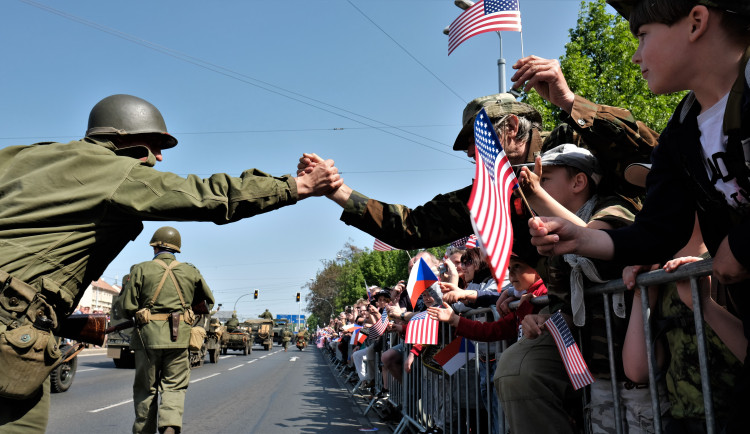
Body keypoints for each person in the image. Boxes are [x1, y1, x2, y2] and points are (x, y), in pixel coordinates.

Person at [0, 93, 342, 432]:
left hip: (133, 336)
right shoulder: (112, 171)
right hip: (15, 325)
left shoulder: (19, 157)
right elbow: (208, 197)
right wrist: (298, 186)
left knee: (144, 388)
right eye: (154, 145)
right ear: (125, 140)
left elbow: (127, 303)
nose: (160, 157)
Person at [528, 2, 750, 432]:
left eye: (643, 35)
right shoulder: (681, 134)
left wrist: (740, 244)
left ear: (696, 22)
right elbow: (658, 231)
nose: (635, 55)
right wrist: (579, 239)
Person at [297, 92, 545, 250]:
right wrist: (338, 190)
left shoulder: (572, 146)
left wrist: (568, 100)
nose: (470, 152)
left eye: (474, 139)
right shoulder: (487, 195)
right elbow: (411, 227)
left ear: (511, 127)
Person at [114, 226, 214, 434]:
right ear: (176, 249)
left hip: (147, 338)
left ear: (155, 246)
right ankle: (169, 426)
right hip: (179, 339)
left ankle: (144, 431)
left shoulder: (140, 269)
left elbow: (125, 308)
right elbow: (208, 303)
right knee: (174, 387)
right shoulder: (190, 271)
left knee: (145, 389)